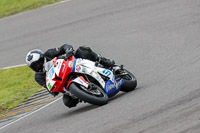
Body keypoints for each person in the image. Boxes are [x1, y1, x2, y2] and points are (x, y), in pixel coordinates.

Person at [25, 44, 115, 108]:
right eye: (35, 66)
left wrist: (68, 51)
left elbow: (64, 47)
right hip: (64, 84)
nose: (38, 66)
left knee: (82, 50)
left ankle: (103, 61)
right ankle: (84, 94)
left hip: (70, 65)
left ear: (42, 58)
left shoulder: (48, 54)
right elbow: (49, 89)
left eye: (38, 63)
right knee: (68, 102)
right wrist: (53, 90)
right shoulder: (38, 77)